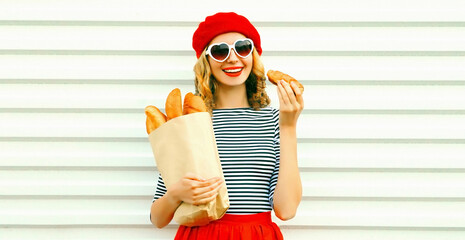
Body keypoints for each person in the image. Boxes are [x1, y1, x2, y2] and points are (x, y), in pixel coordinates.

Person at [150, 12, 303, 239]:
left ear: (253, 56)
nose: (232, 59)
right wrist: (175, 194)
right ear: (206, 61)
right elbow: (157, 218)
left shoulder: (274, 121)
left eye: (242, 48)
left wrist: (288, 127)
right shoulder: (190, 122)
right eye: (220, 51)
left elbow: (287, 210)